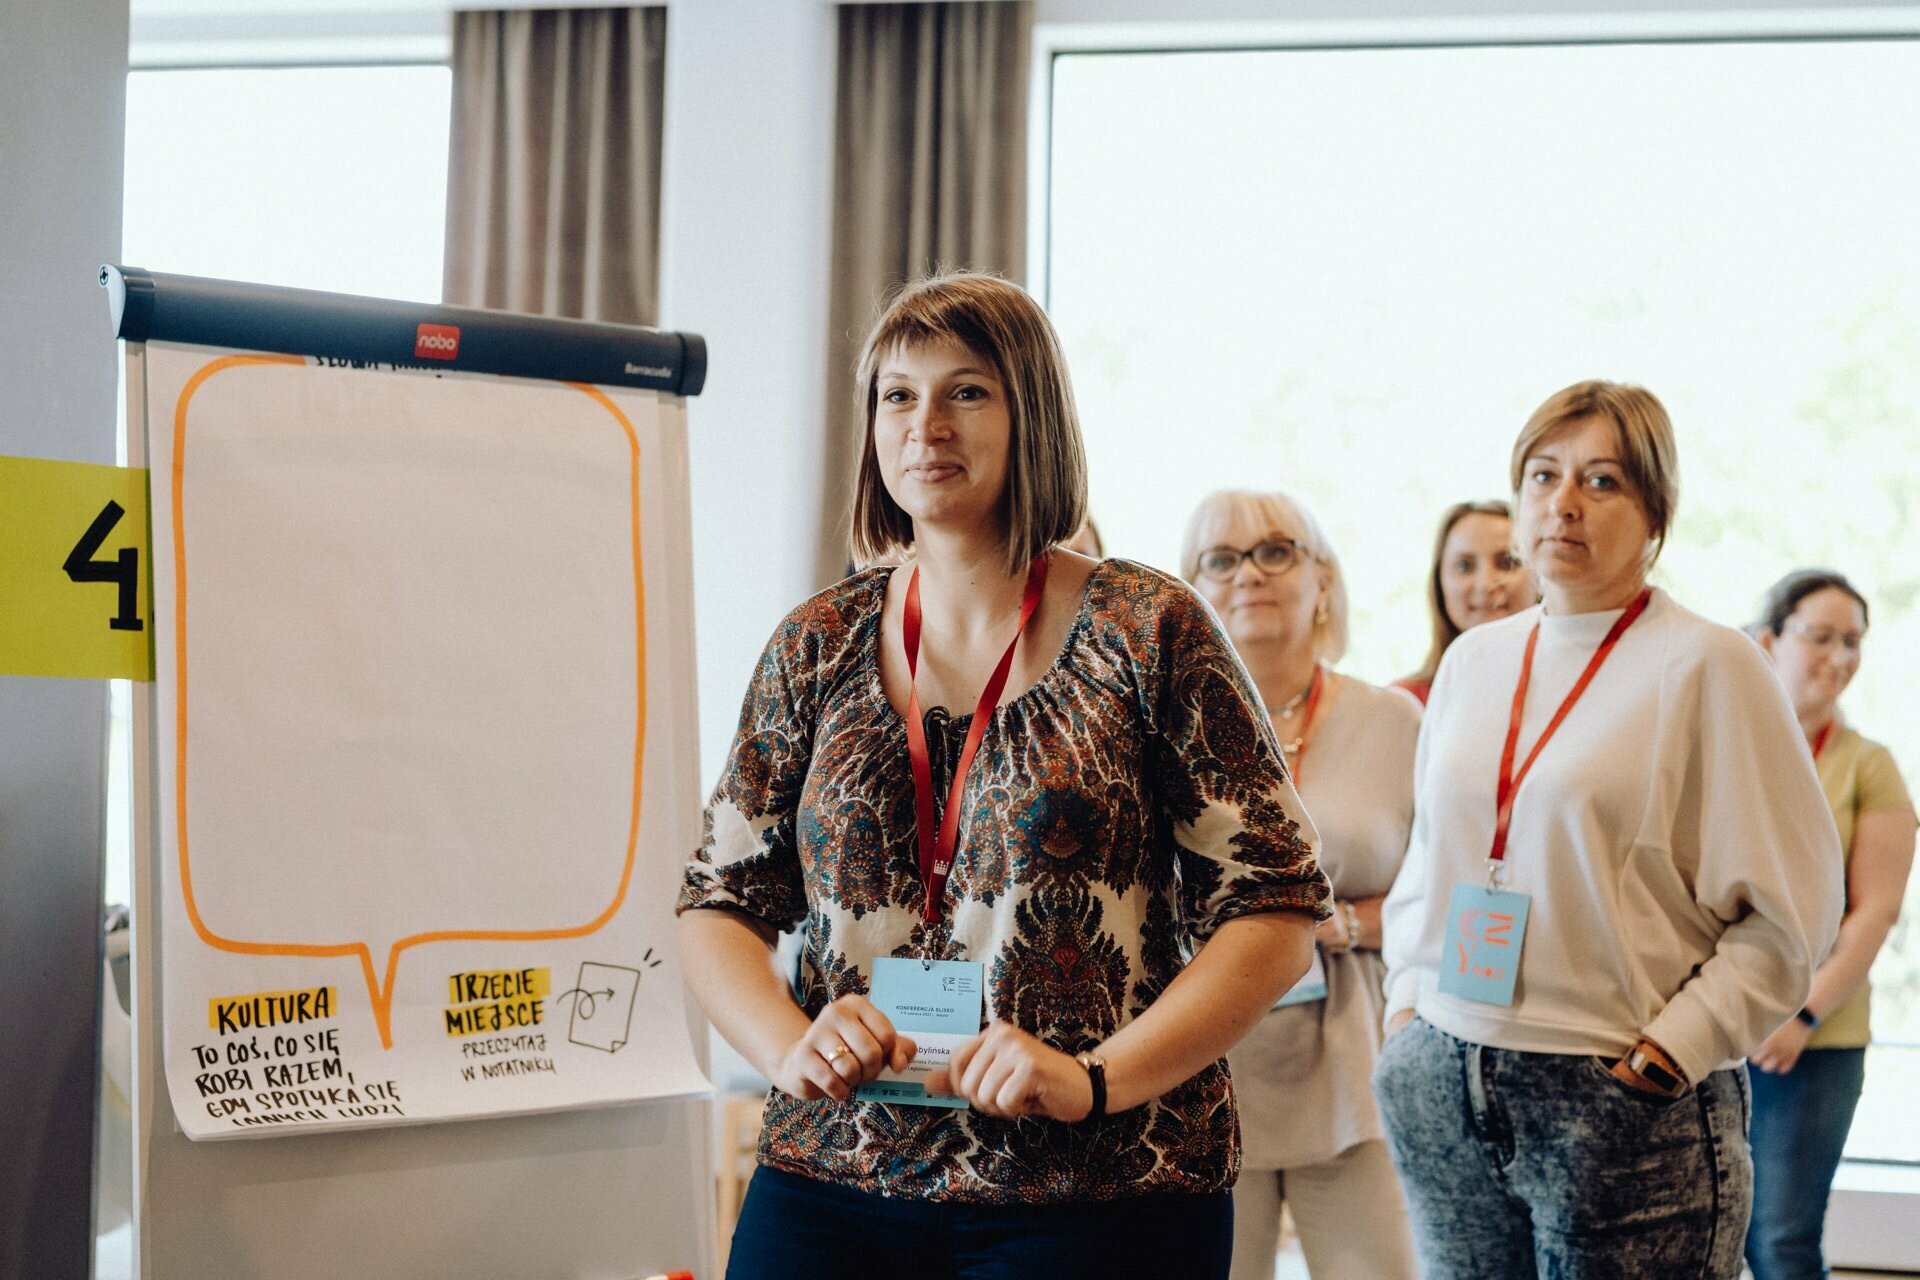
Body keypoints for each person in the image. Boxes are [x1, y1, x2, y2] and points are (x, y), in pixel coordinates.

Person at [676, 272, 1330, 1280]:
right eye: (898, 394)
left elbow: (1277, 908)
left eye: (966, 391)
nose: (925, 422)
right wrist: (786, 1045)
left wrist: (1098, 1079)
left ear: (1034, 414)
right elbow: (718, 897)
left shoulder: (1149, 630)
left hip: (1101, 1188)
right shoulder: (815, 642)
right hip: (836, 1176)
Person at [1373, 379, 1845, 1279]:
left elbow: (1797, 903)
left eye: (1602, 482)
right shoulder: (1475, 661)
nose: (1565, 503)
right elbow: (1429, 861)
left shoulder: (1711, 663)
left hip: (1619, 1089)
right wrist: (1407, 1010)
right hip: (1447, 1070)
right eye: (1544, 476)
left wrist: (1679, 1047)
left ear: (1655, 511)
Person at [1183, 490, 1419, 1280]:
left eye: (1275, 550)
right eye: (1221, 558)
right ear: (1190, 587)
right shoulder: (1159, 722)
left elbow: (1449, 898)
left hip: (1356, 1072)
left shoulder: (1397, 724)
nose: (1249, 574)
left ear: (1322, 579)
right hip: (1202, 1067)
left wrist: (1343, 926)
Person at [1745, 568, 1915, 1280]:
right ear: (1768, 641)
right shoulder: (1734, 748)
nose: (1839, 657)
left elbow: (1875, 911)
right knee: (1706, 1235)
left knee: (1780, 1241)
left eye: (1853, 642)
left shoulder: (1869, 766)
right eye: (1821, 636)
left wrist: (1802, 1015)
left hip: (1815, 1041)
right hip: (1717, 1032)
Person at [1394, 499, 1534, 705]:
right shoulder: (1404, 704)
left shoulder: (1570, 690)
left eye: (1507, 562)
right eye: (1464, 566)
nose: (1485, 583)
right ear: (1439, 582)